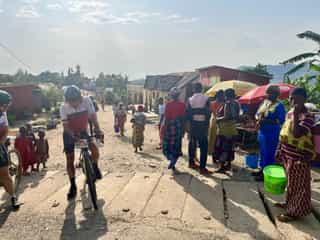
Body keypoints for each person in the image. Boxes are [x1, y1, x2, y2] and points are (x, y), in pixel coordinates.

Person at [275, 88, 316, 222]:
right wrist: (278, 149)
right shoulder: (291, 113)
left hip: (299, 156)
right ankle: (289, 204)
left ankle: (294, 212)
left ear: (304, 99)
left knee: (299, 186)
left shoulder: (308, 116)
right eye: (291, 98)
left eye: (296, 98)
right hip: (287, 153)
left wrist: (297, 114)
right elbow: (284, 132)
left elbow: (297, 133)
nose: (292, 101)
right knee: (291, 183)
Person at [60, 85, 103, 200]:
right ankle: (73, 185)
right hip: (70, 133)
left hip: (83, 131)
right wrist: (74, 137)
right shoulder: (63, 107)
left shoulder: (87, 100)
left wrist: (98, 129)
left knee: (94, 149)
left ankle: (94, 166)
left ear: (80, 97)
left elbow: (93, 117)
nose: (74, 104)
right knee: (70, 159)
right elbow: (65, 126)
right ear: (67, 100)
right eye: (71, 102)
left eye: (76, 101)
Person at [254, 85, 286, 181]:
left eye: (270, 93)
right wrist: (258, 119)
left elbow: (281, 120)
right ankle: (261, 170)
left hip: (272, 133)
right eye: (267, 93)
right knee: (263, 152)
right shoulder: (264, 103)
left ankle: (266, 175)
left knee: (270, 154)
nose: (267, 95)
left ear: (276, 95)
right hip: (262, 132)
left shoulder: (279, 106)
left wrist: (267, 121)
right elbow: (257, 113)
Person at [0, 90, 19, 210]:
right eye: (5, 105)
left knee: (4, 174)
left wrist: (1, 142)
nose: (7, 108)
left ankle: (12, 196)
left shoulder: (3, 114)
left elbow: (6, 130)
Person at [187, 83, 211, 175]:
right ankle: (202, 168)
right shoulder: (206, 98)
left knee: (192, 144)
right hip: (202, 125)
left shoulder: (190, 99)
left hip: (193, 125)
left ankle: (191, 163)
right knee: (204, 146)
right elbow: (208, 113)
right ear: (201, 89)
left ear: (194, 89)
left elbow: (188, 114)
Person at [215, 88, 240, 173]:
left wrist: (218, 119)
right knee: (230, 147)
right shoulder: (237, 103)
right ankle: (228, 164)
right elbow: (237, 116)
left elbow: (226, 117)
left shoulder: (227, 103)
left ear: (226, 95)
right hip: (233, 128)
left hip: (225, 129)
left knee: (223, 147)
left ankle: (222, 166)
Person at [162, 88, 186, 171]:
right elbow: (183, 118)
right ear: (178, 95)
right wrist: (183, 129)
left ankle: (171, 158)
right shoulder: (182, 105)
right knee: (177, 145)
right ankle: (173, 161)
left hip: (170, 127)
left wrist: (164, 129)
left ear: (171, 95)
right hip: (179, 127)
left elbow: (167, 118)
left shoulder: (168, 105)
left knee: (168, 144)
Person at [208, 90, 225, 164]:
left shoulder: (212, 103)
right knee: (218, 140)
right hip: (220, 122)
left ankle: (214, 157)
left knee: (214, 140)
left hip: (214, 121)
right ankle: (216, 156)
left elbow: (209, 114)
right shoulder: (224, 104)